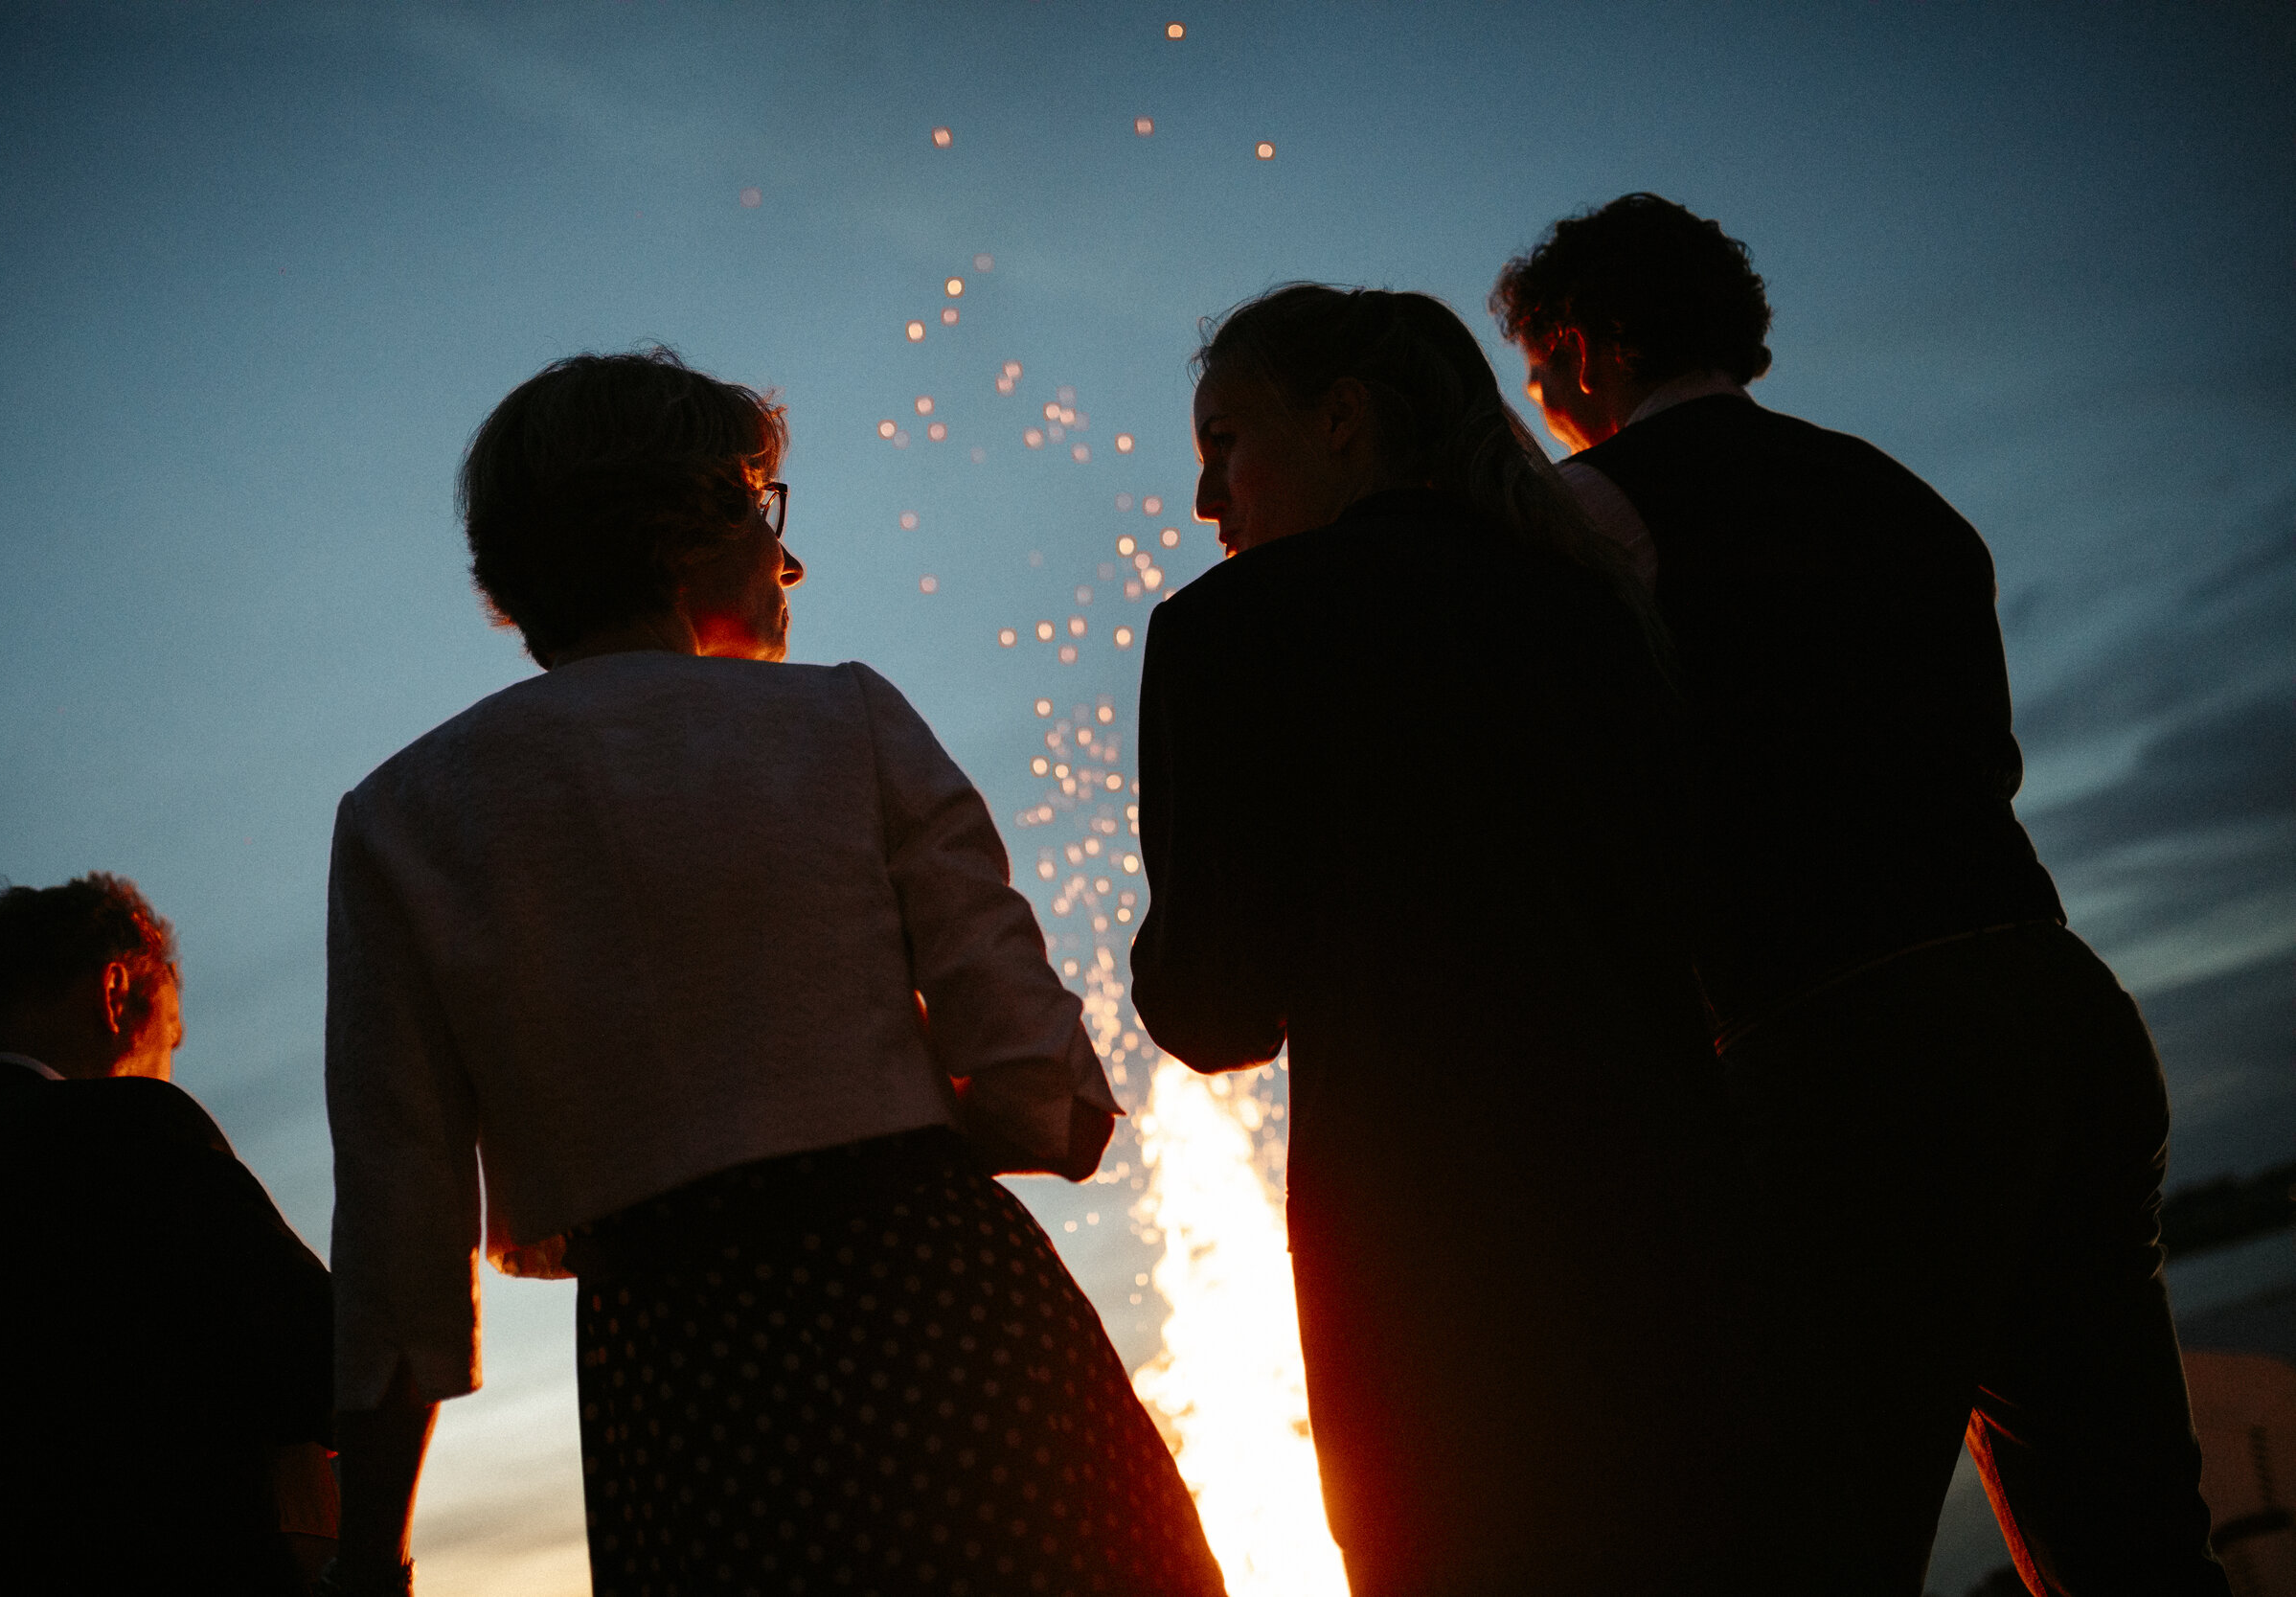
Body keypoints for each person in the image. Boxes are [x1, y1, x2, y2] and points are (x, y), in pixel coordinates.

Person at [321, 349, 1223, 1597]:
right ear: (683, 525)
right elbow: (1049, 1096)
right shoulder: (845, 720)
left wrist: (372, 1549)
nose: (786, 558)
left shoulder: (398, 818)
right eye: (762, 508)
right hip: (942, 1315)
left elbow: (397, 1253)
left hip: (673, 1382)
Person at [1492, 193, 2230, 1597]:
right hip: (2060, 1006)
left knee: (1800, 1535)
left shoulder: (1588, 517)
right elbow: (1980, 759)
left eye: (1538, 372)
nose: (1541, 404)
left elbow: (1586, 805)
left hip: (1848, 1046)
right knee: (2127, 1533)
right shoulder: (1906, 498)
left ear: (1581, 348)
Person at [1128, 285, 1770, 1595]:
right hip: (1683, 1229)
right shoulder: (1595, 608)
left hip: (1426, 1281)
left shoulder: (1232, 628)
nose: (1207, 499)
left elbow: (1214, 1007)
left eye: (1226, 440)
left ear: (1344, 418)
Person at [0, 874, 337, 1595]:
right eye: (169, 1037)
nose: (169, 1063)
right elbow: (336, 1359)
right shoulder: (138, 1132)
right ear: (114, 995)